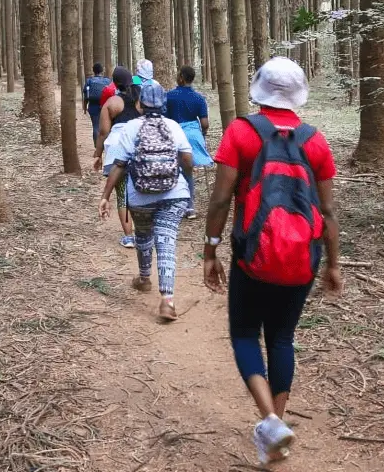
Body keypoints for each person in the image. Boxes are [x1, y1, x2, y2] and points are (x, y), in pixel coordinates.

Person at [202, 57, 343, 464]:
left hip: (252, 257)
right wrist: (333, 264)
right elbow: (329, 212)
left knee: (246, 334)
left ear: (259, 90)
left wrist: (210, 251)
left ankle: (269, 421)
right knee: (282, 338)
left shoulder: (241, 133)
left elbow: (221, 199)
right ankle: (275, 426)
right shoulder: (314, 141)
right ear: (298, 94)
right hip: (303, 259)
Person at [99, 83, 193, 321]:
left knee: (143, 235)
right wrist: (173, 170)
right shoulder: (173, 126)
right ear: (163, 105)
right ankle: (167, 301)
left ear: (139, 105)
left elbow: (119, 165)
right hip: (174, 194)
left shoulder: (131, 127)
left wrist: (105, 196)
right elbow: (188, 159)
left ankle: (143, 278)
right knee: (166, 241)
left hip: (140, 195)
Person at [94, 67, 140, 247]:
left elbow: (103, 131)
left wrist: (98, 154)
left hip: (118, 150)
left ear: (114, 82)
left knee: (123, 194)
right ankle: (145, 233)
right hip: (139, 148)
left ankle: (129, 236)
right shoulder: (140, 99)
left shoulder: (112, 102)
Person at [166, 66, 213, 219]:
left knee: (171, 170)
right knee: (187, 172)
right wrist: (202, 134)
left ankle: (171, 205)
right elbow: (205, 123)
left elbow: (164, 119)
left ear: (181, 77)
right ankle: (190, 207)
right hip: (192, 137)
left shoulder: (169, 96)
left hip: (173, 135)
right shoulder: (199, 98)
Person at [83, 63, 111, 143]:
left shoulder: (89, 81)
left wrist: (85, 108)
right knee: (106, 126)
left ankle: (97, 144)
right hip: (105, 106)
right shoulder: (107, 81)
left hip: (93, 106)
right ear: (102, 71)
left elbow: (86, 96)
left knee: (95, 126)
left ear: (93, 71)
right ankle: (106, 144)